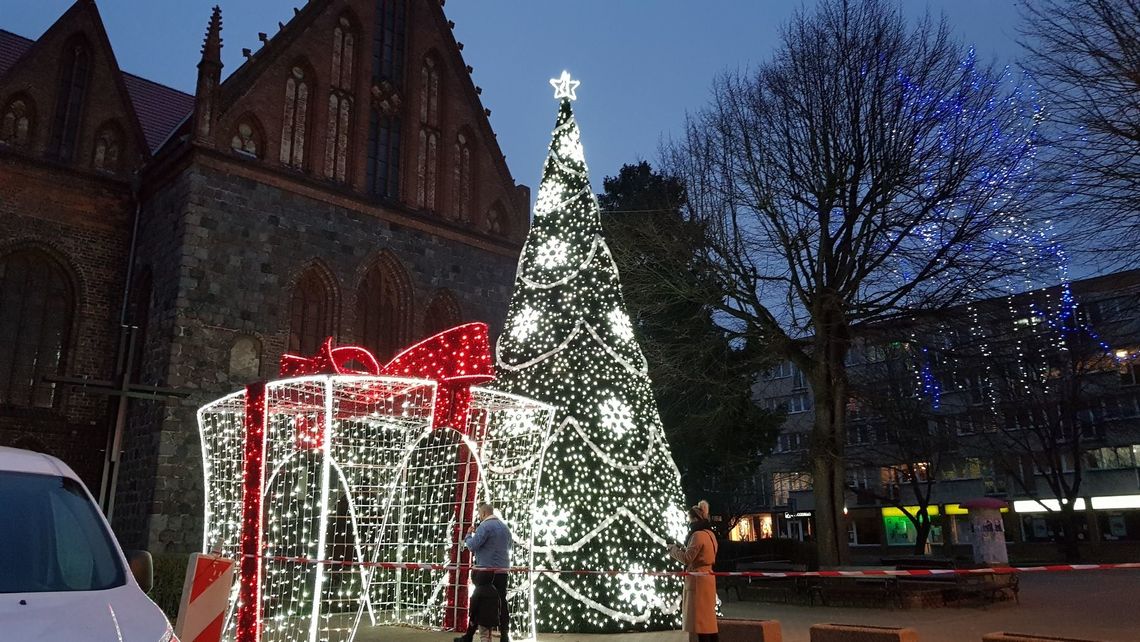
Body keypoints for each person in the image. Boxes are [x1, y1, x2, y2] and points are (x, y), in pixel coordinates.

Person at [456, 503, 512, 642]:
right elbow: (509, 546)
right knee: (502, 602)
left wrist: (468, 535)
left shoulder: (485, 526)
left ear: (483, 513)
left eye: (480, 515)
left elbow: (472, 545)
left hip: (486, 571)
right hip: (503, 571)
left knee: (479, 602)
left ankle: (469, 636)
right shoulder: (505, 528)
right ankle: (505, 636)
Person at [668, 501, 719, 642]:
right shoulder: (710, 534)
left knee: (700, 623)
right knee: (709, 622)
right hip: (708, 578)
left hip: (698, 582)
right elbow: (699, 554)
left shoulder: (697, 535)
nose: (689, 522)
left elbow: (687, 558)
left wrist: (672, 549)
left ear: (695, 519)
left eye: (690, 519)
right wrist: (682, 547)